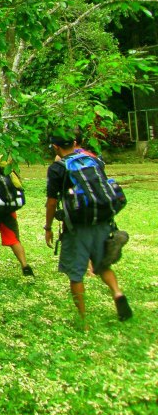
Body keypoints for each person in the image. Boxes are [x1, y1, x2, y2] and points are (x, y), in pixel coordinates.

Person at [45, 134, 132, 324]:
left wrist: (48, 227)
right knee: (102, 265)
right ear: (75, 144)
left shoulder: (57, 169)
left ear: (55, 147)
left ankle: (83, 319)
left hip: (77, 227)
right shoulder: (94, 161)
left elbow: (52, 202)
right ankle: (117, 293)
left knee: (76, 274)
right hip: (102, 220)